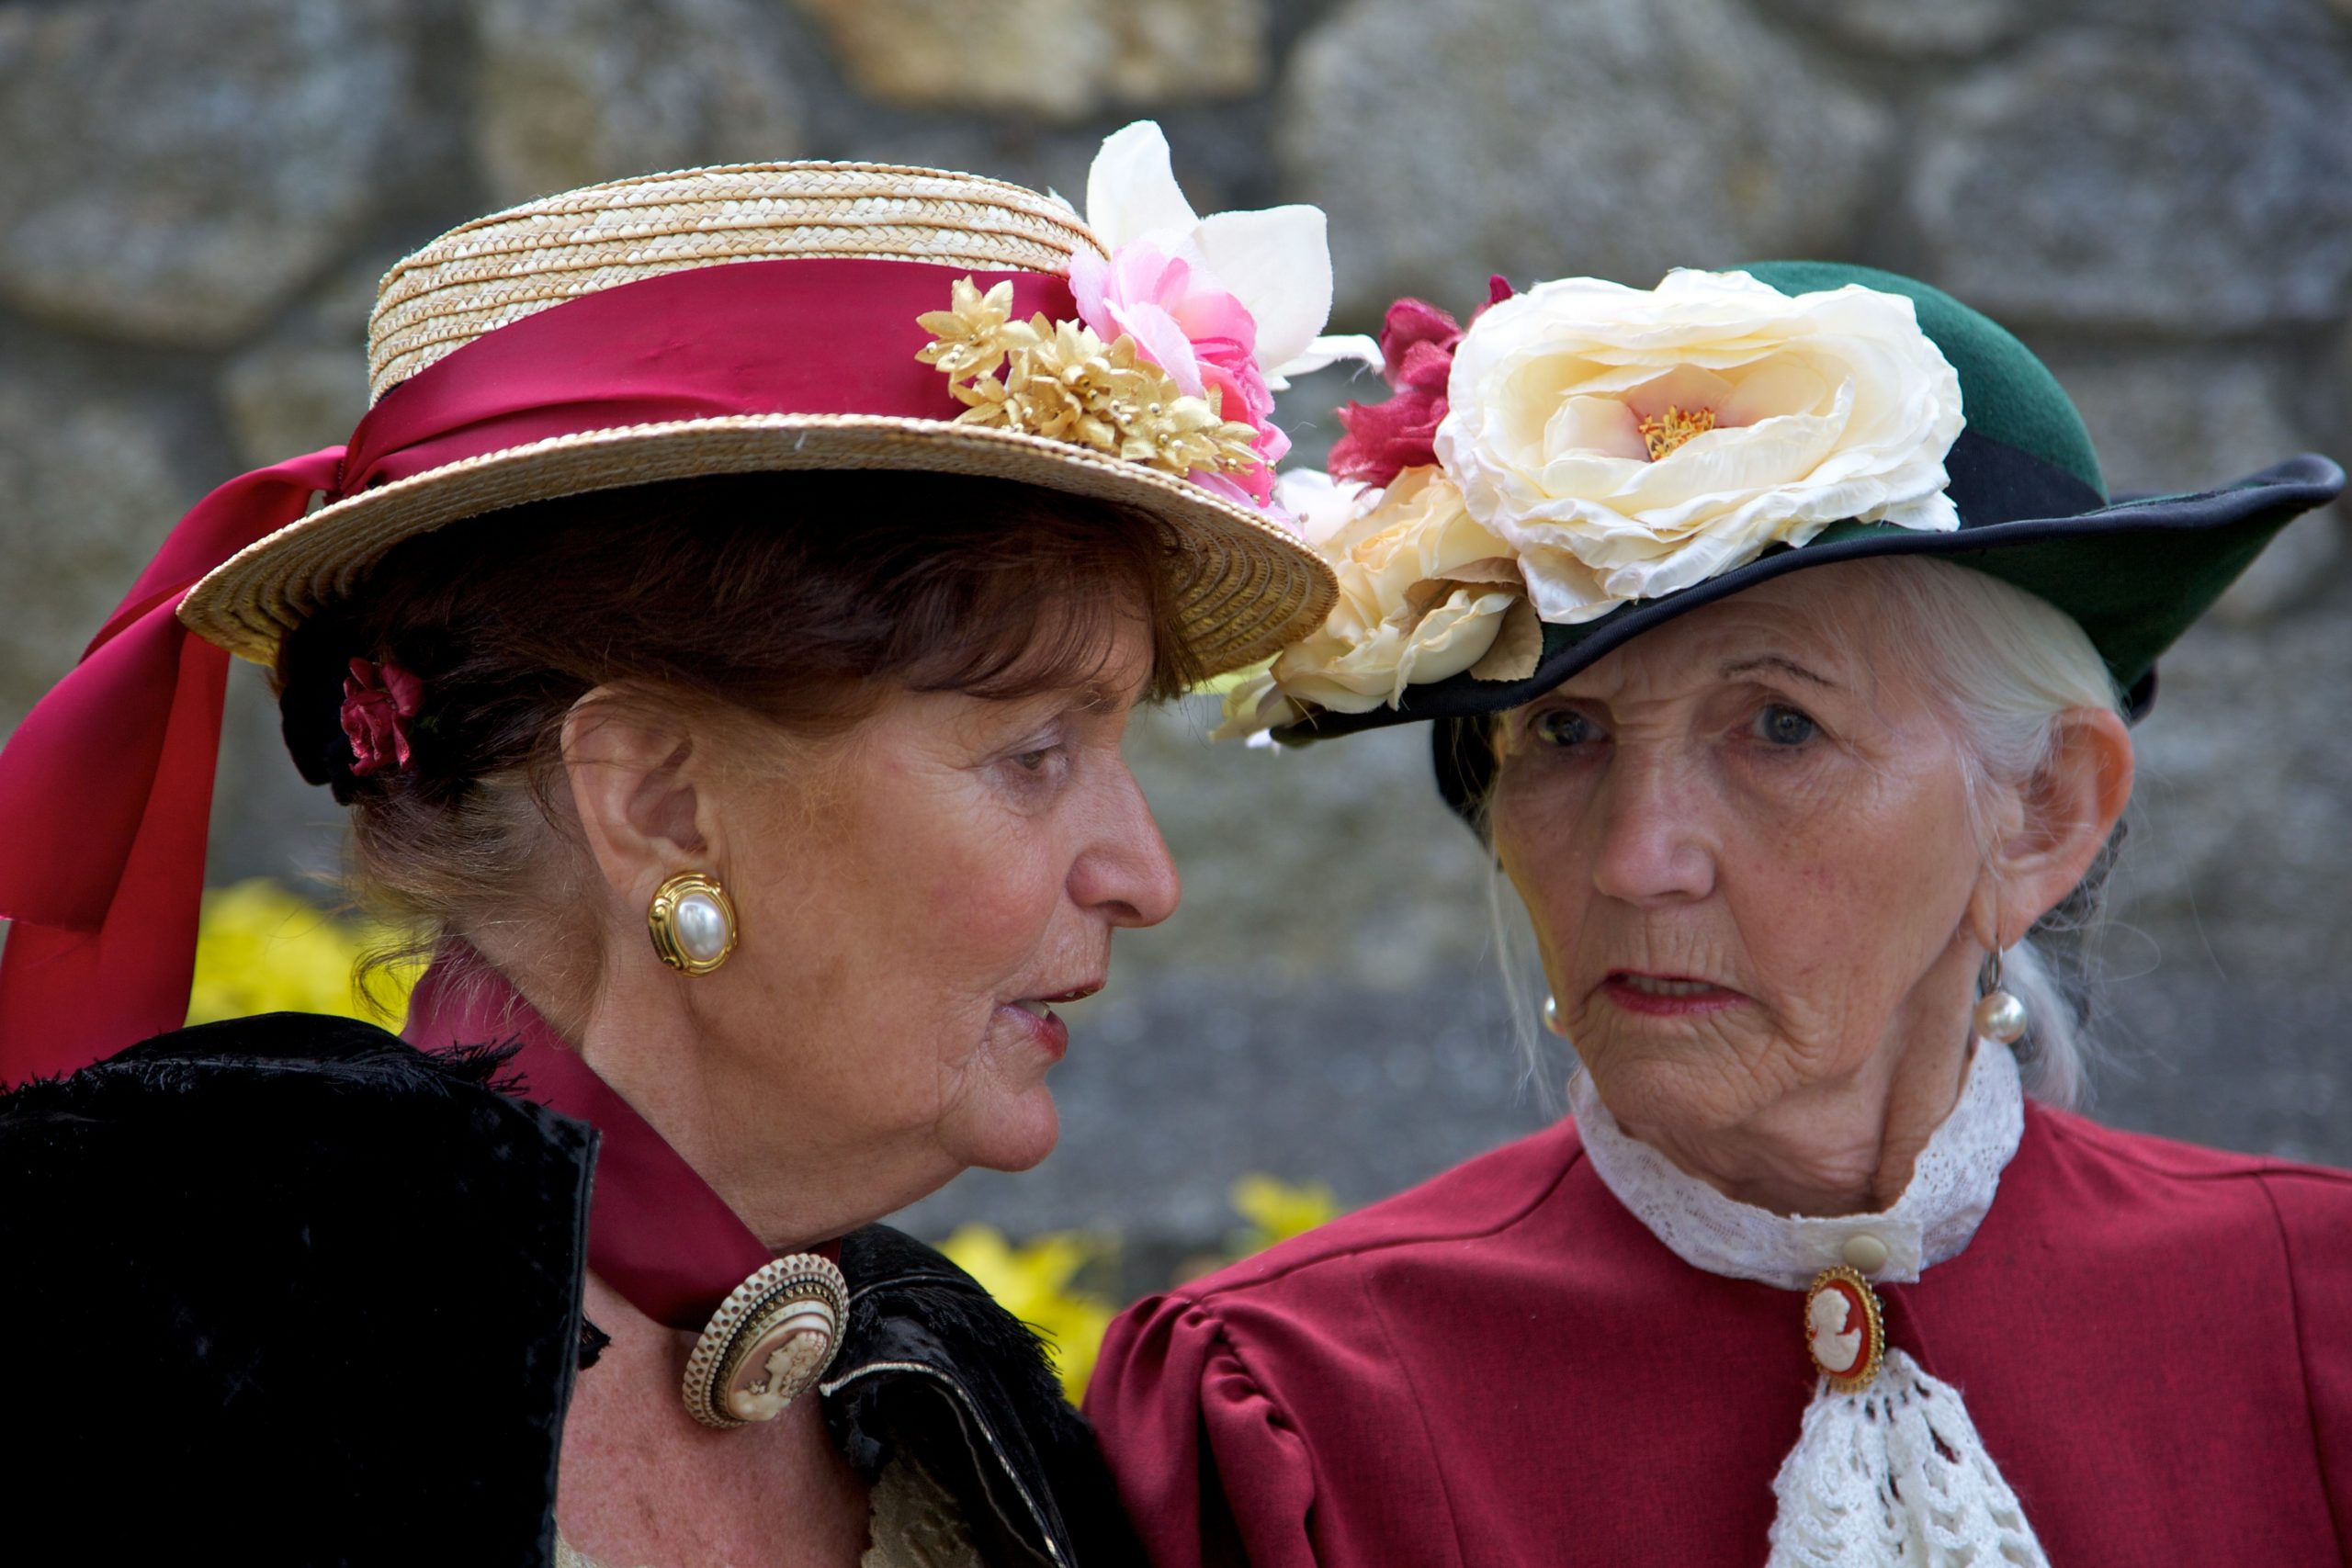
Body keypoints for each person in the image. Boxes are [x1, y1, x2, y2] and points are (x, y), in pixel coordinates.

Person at [0, 126, 1362, 1565]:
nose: (1145, 878)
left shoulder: (966, 1418)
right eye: (1034, 755)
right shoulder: (132, 1324)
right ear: (655, 800)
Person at [1085, 261, 2352, 1565]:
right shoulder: (1294, 1410)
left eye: (1781, 726)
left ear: (2042, 814)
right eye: (1567, 731)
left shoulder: (2316, 1315)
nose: (1638, 860)